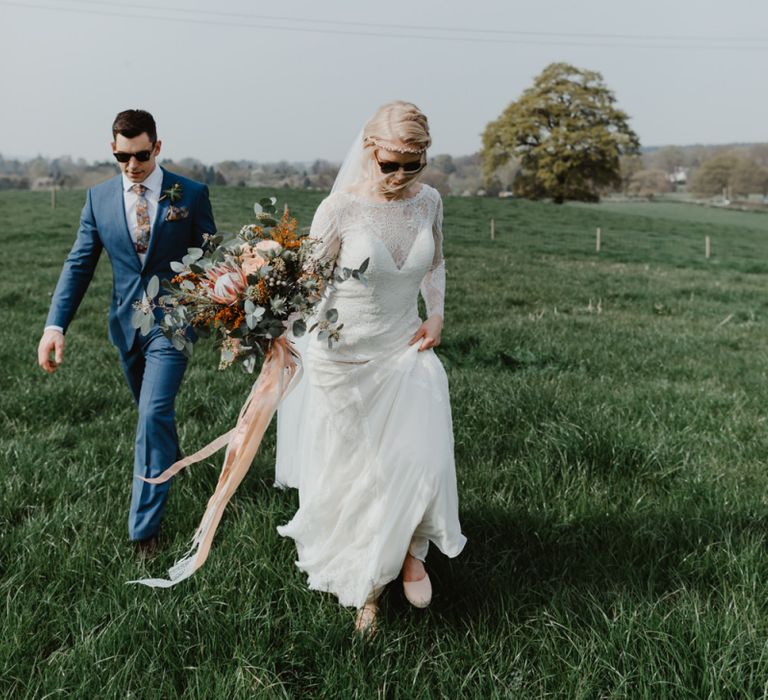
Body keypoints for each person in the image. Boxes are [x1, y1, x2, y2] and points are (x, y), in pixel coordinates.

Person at [276, 101, 466, 634]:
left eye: (414, 164)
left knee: (418, 460)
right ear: (369, 152)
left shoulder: (429, 202)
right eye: (390, 165)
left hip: (406, 350)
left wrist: (438, 315)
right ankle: (370, 592)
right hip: (345, 359)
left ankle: (408, 548)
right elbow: (308, 282)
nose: (401, 177)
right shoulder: (339, 209)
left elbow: (437, 262)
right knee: (365, 475)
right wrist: (275, 327)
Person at [37, 109, 216, 554]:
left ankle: (144, 531)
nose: (132, 165)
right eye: (122, 156)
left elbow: (213, 256)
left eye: (140, 155)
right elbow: (79, 264)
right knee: (152, 413)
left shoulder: (190, 194)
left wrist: (225, 305)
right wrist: (55, 326)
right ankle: (171, 461)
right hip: (125, 325)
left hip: (173, 323)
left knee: (152, 414)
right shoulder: (98, 199)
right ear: (112, 149)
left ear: (156, 147)